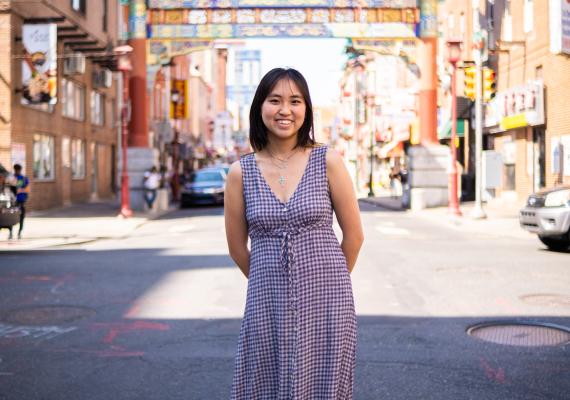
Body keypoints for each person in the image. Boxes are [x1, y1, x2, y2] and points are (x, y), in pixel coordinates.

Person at [224, 68, 364, 399]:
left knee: (324, 388)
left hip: (328, 302)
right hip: (266, 302)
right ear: (260, 107)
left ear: (306, 109)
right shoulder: (239, 173)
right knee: (264, 383)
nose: (285, 110)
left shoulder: (327, 160)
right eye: (275, 100)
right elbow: (236, 248)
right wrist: (271, 282)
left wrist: (329, 286)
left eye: (295, 101)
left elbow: (354, 236)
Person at [12, 164, 29, 239]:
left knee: (21, 216)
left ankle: (19, 232)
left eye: (17, 170)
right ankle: (12, 232)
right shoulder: (13, 178)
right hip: (15, 200)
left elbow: (27, 189)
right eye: (16, 170)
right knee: (13, 216)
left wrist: (19, 190)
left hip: (20, 200)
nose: (17, 171)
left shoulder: (22, 178)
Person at [0, 173, 17, 240]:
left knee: (8, 220)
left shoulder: (7, 188)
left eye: (1, 178)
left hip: (6, 206)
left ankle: (10, 232)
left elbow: (11, 197)